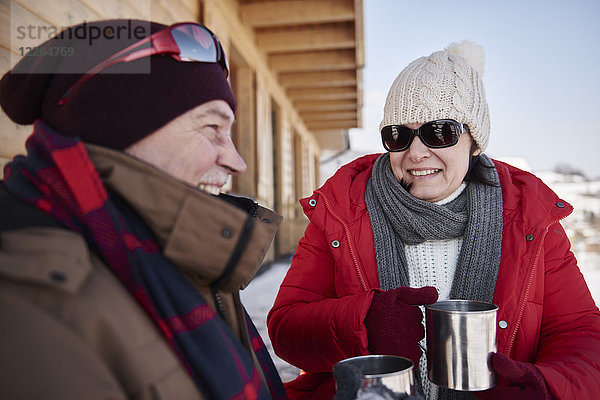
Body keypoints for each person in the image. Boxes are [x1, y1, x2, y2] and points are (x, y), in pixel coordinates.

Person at [267, 40, 600, 399]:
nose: (416, 152)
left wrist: (546, 387)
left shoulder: (531, 218)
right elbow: (286, 328)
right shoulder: (341, 211)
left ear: (475, 142)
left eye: (438, 132)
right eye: (398, 135)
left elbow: (579, 332)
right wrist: (361, 323)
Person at [0, 19, 287, 400]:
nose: (237, 162)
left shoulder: (179, 257)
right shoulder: (29, 305)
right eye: (211, 127)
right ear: (115, 127)